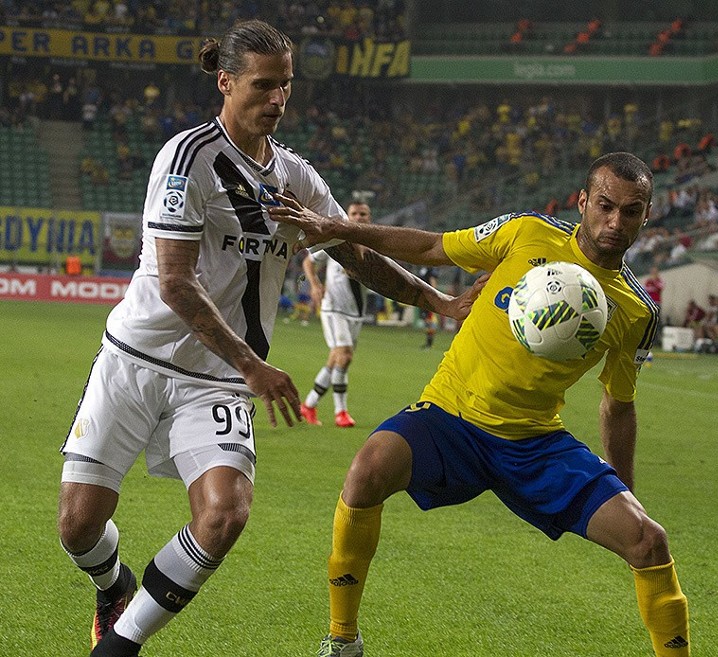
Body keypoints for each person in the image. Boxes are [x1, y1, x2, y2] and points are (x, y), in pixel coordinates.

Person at [57, 20, 481, 657]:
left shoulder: (297, 178)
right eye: (264, 85)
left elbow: (354, 254)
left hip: (219, 380)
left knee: (225, 514)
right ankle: (111, 583)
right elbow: (175, 282)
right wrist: (254, 364)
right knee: (78, 525)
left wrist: (437, 299)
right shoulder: (186, 159)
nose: (278, 100)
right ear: (225, 82)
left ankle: (120, 645)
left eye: (286, 86)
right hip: (137, 359)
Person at [271, 152, 690, 657]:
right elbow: (430, 246)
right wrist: (336, 228)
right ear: (583, 201)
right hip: (451, 416)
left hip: (535, 443)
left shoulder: (634, 309)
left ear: (647, 215)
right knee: (366, 470)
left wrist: (624, 490)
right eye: (605, 205)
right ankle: (343, 640)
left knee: (648, 541)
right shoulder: (526, 232)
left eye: (631, 211)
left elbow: (617, 404)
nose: (615, 222)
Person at [300, 200, 372, 428]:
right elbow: (308, 262)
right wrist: (314, 285)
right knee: (345, 356)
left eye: (363, 214)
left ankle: (309, 405)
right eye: (354, 213)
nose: (359, 217)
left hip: (356, 312)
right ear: (347, 216)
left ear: (369, 217)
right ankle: (341, 412)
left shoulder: (373, 244)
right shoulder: (336, 242)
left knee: (335, 361)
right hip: (334, 308)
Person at [417, 264, 439, 348]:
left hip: (428, 298)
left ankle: (429, 343)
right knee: (426, 319)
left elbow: (433, 281)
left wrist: (433, 295)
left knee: (430, 319)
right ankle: (428, 342)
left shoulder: (431, 268)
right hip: (423, 297)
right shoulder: (423, 268)